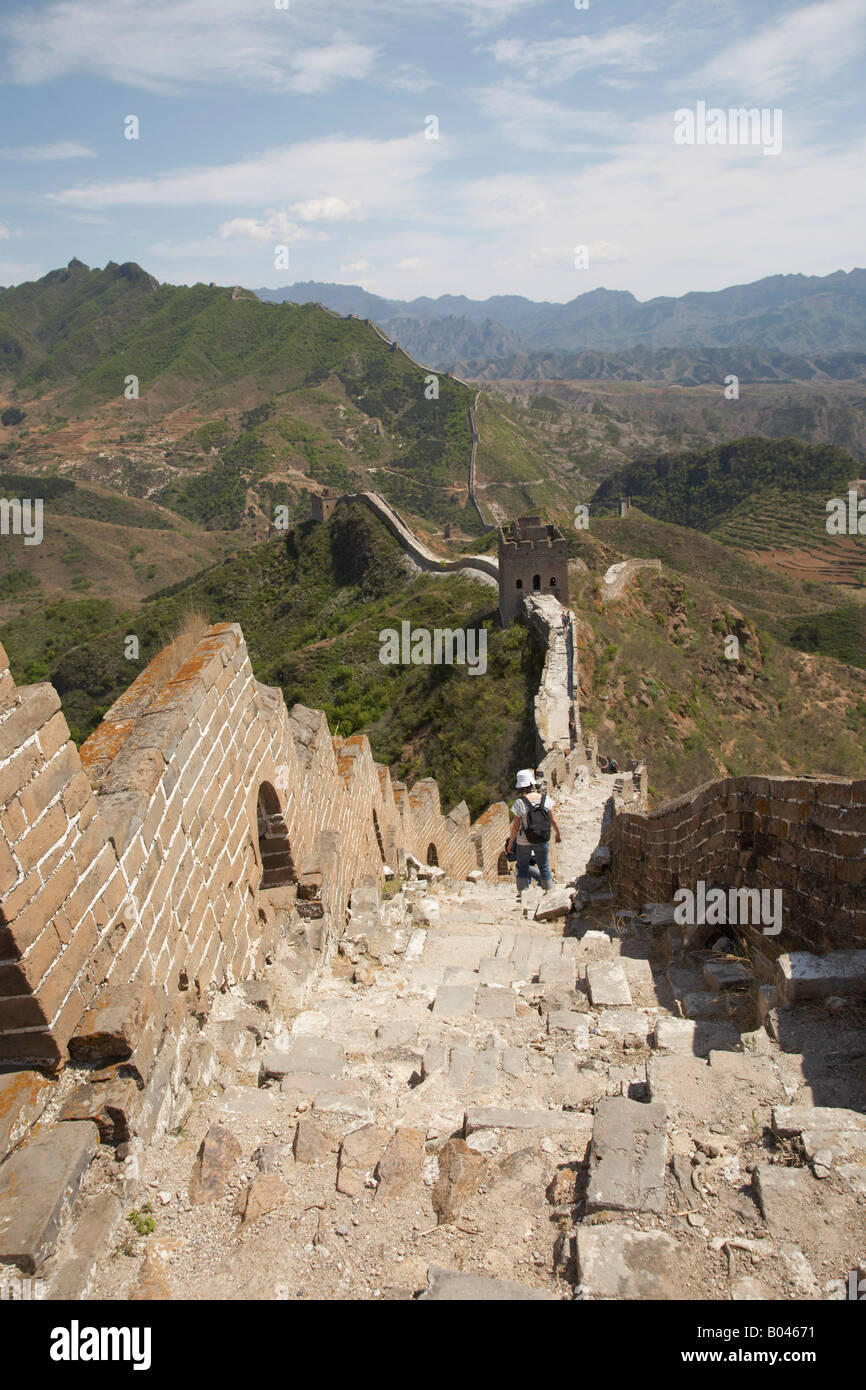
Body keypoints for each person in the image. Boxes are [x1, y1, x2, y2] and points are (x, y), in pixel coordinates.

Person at [506, 769, 562, 901]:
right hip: (542, 838)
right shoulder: (546, 799)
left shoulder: (520, 803)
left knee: (522, 867)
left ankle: (523, 893)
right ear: (532, 784)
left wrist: (510, 843)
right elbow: (553, 820)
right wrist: (558, 834)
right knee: (544, 865)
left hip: (523, 841)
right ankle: (549, 892)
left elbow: (515, 827)